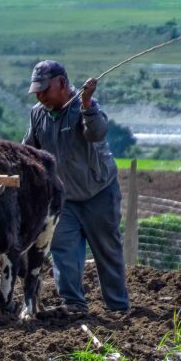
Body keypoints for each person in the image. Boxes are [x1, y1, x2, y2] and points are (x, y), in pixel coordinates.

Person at [22, 60, 130, 314]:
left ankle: (118, 308)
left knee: (108, 251)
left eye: (44, 89)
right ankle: (74, 304)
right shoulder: (38, 114)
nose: (39, 95)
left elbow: (97, 132)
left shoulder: (84, 107)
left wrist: (87, 104)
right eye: (36, 90)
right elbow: (29, 150)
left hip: (99, 192)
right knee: (63, 251)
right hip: (64, 198)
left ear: (61, 83)